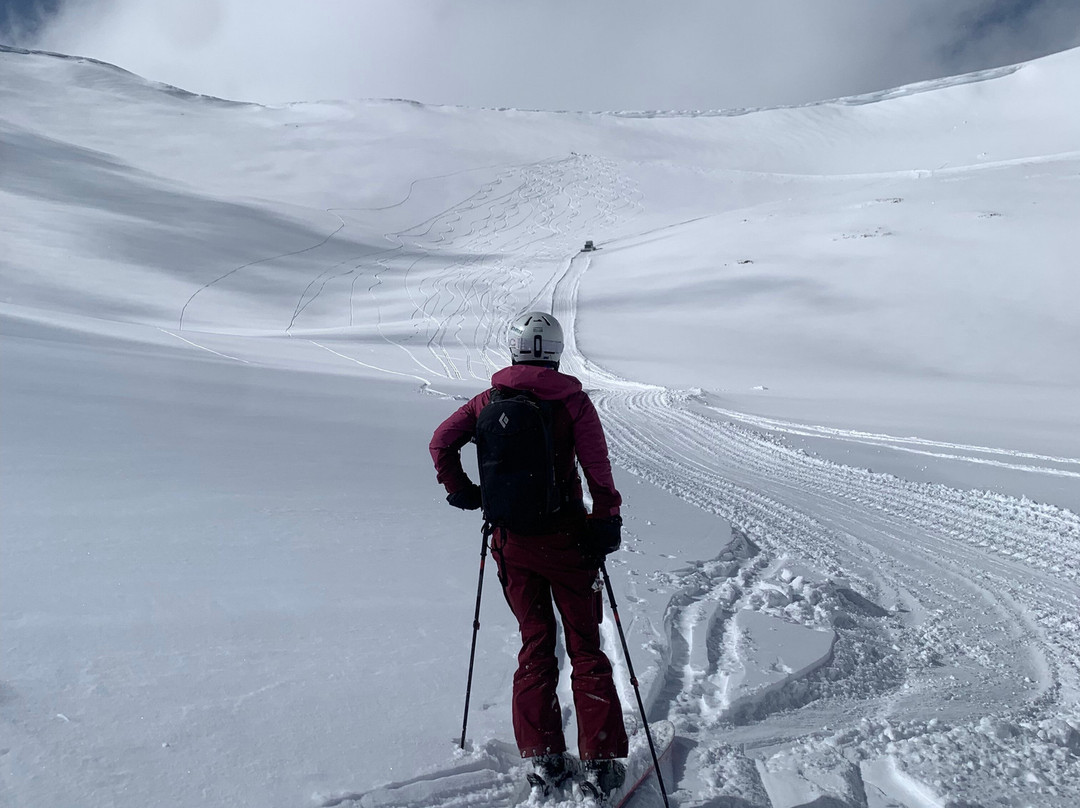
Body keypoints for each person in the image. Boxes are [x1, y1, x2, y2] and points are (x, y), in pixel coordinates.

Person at [429, 311, 628, 796]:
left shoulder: (487, 401)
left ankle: (544, 756)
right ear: (556, 353)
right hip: (567, 542)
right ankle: (600, 762)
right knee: (584, 645)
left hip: (510, 543)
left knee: (536, 641)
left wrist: (465, 491)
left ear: (515, 350)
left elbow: (440, 443)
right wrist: (606, 519)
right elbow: (597, 469)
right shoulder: (573, 403)